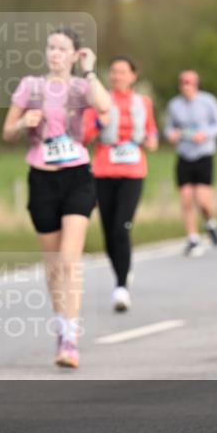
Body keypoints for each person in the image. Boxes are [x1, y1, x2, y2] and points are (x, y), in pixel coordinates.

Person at [2, 27, 112, 368]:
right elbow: (6, 132)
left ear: (74, 54)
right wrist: (23, 124)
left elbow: (105, 106)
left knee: (68, 260)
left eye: (62, 48)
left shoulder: (82, 87)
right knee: (52, 266)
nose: (55, 54)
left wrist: (90, 69)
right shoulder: (30, 86)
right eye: (51, 47)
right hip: (42, 178)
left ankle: (70, 338)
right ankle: (62, 325)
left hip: (77, 175)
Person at [82, 56, 158, 312]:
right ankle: (122, 270)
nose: (117, 77)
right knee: (108, 233)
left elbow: (151, 130)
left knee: (121, 228)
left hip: (133, 171)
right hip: (104, 170)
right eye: (113, 72)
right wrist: (97, 124)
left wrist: (152, 140)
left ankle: (121, 285)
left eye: (122, 72)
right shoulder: (100, 101)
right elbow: (84, 135)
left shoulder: (143, 102)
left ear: (133, 76)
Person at [165, 70, 217, 256]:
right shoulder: (174, 105)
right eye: (182, 82)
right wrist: (172, 135)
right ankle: (192, 238)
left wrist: (206, 134)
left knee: (202, 200)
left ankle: (211, 222)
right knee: (185, 198)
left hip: (203, 153)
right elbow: (169, 127)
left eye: (189, 82)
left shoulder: (208, 101)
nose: (186, 86)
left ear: (196, 84)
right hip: (184, 154)